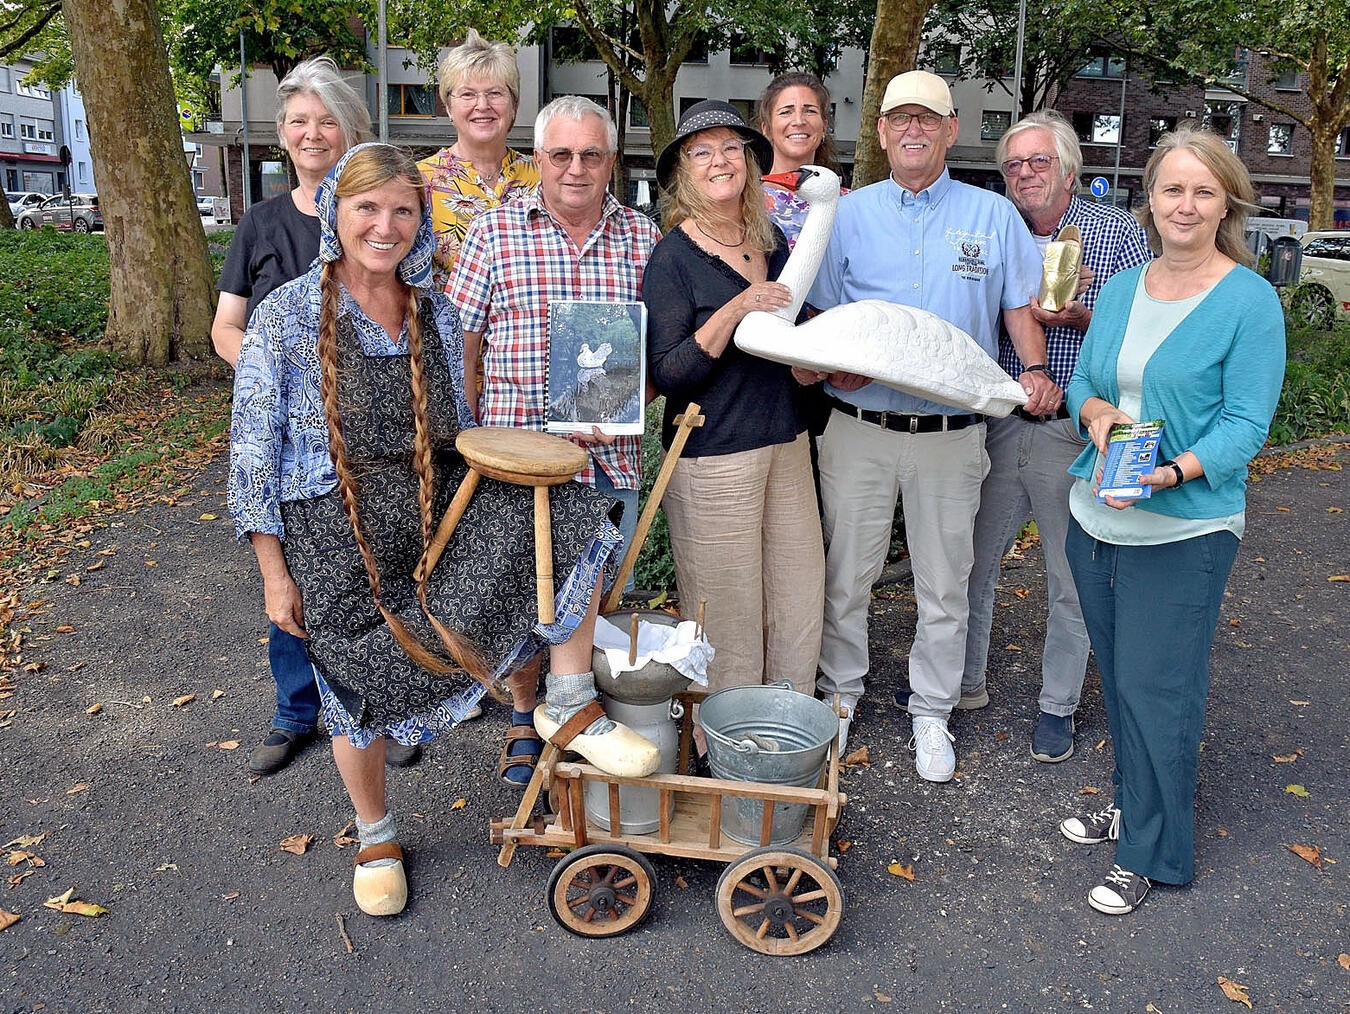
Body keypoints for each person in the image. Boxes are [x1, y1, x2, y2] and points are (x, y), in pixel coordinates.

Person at [228, 143, 659, 916]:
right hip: (333, 530)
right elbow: (252, 452)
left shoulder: (437, 308)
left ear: (422, 222)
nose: (385, 226)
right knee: (351, 687)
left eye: (403, 210)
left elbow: (461, 430)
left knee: (573, 517)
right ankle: (376, 834)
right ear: (336, 213)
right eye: (368, 207)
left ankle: (566, 697)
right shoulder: (286, 315)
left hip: (433, 508)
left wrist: (567, 430)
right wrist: (273, 570)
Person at [805, 72, 1058, 777]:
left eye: (929, 118)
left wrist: (1034, 372)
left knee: (945, 583)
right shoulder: (847, 216)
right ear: (881, 131)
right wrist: (831, 364)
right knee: (846, 576)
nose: (913, 129)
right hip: (858, 426)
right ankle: (839, 698)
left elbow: (1017, 307)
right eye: (899, 118)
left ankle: (932, 711)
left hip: (952, 435)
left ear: (951, 130)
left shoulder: (991, 215)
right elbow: (822, 315)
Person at [1059, 126, 1284, 915]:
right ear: (1149, 197)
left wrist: (1170, 472)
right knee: (1121, 681)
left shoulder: (1249, 300)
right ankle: (1132, 805)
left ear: (1226, 202)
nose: (1184, 205)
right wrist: (1092, 418)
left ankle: (1153, 851)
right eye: (1170, 188)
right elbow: (1086, 376)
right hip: (1096, 517)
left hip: (1184, 528)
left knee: (1160, 689)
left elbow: (1246, 425)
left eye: (1202, 190)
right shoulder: (1123, 285)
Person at [209, 55, 416, 776]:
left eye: (327, 119)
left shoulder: (386, 216)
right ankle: (299, 708)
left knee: (385, 584)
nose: (312, 132)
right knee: (294, 590)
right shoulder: (263, 223)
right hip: (297, 436)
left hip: (378, 449)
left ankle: (385, 704)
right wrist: (286, 382)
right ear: (283, 133)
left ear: (351, 130)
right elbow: (225, 326)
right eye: (298, 120)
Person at [448, 96, 662, 785]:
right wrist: (474, 436)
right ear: (538, 159)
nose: (576, 169)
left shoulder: (643, 237)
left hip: (608, 453)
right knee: (524, 595)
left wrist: (634, 398)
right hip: (519, 459)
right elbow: (463, 345)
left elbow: (660, 351)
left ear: (610, 162)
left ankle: (563, 717)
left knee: (585, 600)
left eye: (591, 155)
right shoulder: (493, 232)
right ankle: (527, 713)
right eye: (562, 155)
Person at [959, 110, 1152, 764]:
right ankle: (963, 684)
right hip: (1000, 418)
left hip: (1075, 425)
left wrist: (1080, 315)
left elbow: (1143, 328)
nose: (1025, 174)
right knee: (971, 565)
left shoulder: (1114, 230)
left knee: (1069, 577)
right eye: (1014, 164)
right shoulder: (992, 228)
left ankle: (1056, 706)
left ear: (1068, 168)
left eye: (1038, 162)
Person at [642, 99, 825, 706]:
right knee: (729, 615)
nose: (719, 160)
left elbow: (788, 346)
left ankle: (788, 732)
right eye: (702, 152)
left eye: (730, 148)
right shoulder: (673, 257)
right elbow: (670, 373)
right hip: (713, 456)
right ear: (683, 172)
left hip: (787, 443)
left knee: (798, 598)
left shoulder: (770, 243)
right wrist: (734, 309)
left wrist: (818, 364)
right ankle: (732, 746)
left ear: (747, 160)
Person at [418, 29, 539, 288]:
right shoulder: (418, 182)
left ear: (514, 105)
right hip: (449, 327)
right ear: (449, 107)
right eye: (467, 94)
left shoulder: (544, 176)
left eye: (495, 93)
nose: (482, 105)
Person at [756, 72, 843, 246]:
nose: (798, 121)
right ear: (766, 128)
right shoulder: (745, 200)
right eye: (786, 112)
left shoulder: (848, 204)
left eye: (810, 111)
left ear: (824, 127)